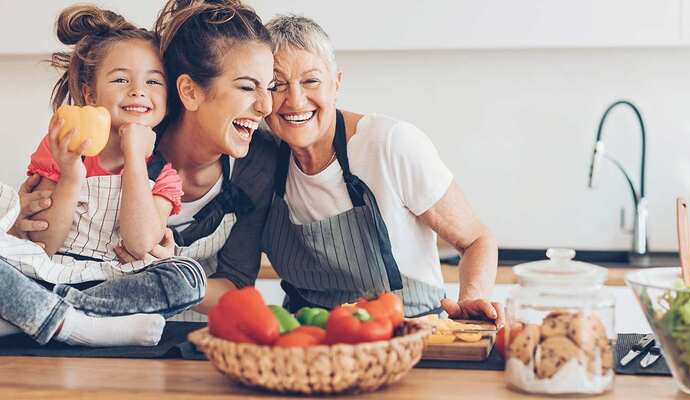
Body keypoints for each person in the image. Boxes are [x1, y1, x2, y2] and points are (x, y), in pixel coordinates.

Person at [0, 0, 277, 345]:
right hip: (55, 273)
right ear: (189, 91)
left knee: (186, 277)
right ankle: (64, 319)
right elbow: (41, 243)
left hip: (147, 307)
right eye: (248, 87)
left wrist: (135, 158)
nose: (267, 106)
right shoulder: (99, 136)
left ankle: (48, 316)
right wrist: (22, 213)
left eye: (271, 87)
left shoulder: (180, 170)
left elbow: (144, 244)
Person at [262, 15, 501, 324]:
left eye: (311, 81)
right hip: (307, 340)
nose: (294, 100)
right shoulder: (257, 157)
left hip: (410, 334)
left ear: (336, 83)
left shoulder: (390, 144)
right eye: (276, 84)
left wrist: (470, 300)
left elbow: (476, 239)